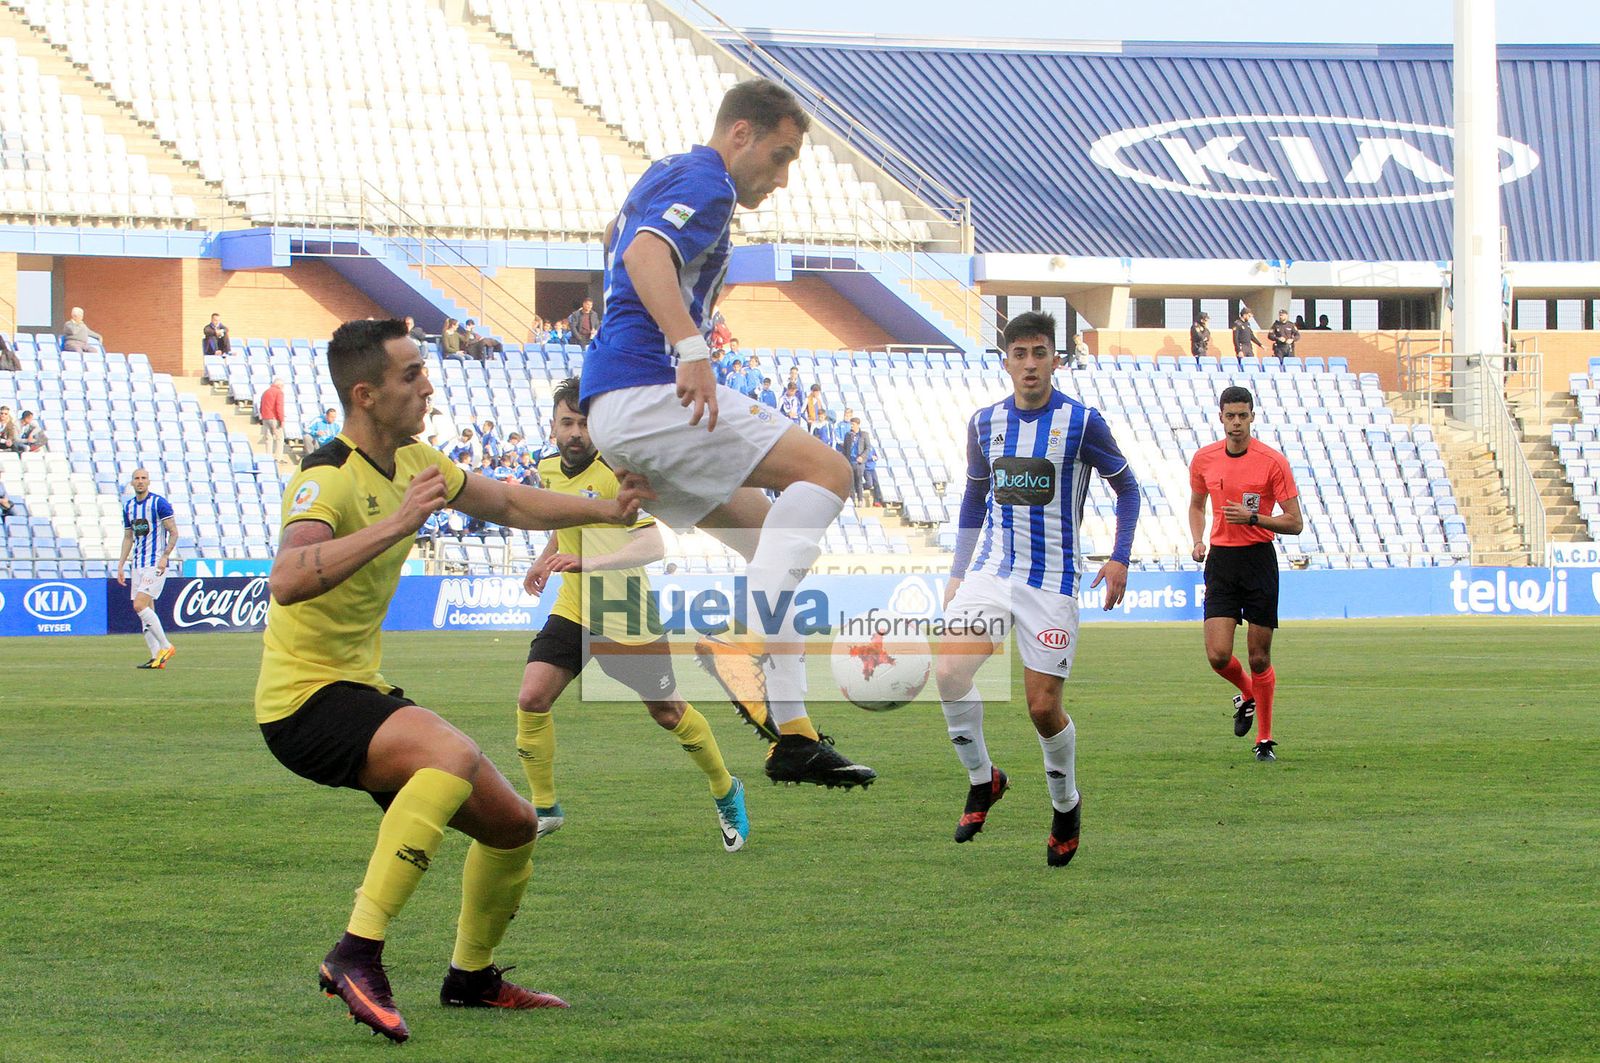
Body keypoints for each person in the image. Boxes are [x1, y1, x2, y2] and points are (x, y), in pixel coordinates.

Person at [254, 318, 650, 1043]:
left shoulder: (416, 458)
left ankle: (472, 978)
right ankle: (356, 952)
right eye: (412, 375)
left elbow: (507, 502)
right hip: (302, 703)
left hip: (359, 690)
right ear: (367, 394)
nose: (428, 385)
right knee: (452, 754)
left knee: (512, 826)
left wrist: (608, 509)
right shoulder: (325, 475)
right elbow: (286, 578)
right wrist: (399, 521)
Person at [579, 78, 875, 788]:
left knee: (767, 534)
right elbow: (643, 257)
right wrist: (692, 347)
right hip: (648, 387)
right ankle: (741, 637)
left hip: (615, 405)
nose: (780, 178)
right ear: (739, 133)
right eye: (779, 157)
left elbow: (614, 238)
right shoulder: (707, 182)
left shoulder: (665, 175)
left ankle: (795, 735)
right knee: (830, 472)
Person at [935, 312, 1139, 868]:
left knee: (1042, 708)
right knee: (948, 673)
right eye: (1019, 353)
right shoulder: (984, 423)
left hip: (1053, 582)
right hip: (992, 572)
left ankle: (1065, 806)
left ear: (1055, 360)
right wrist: (959, 570)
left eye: (1039, 353)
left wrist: (1119, 556)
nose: (1029, 363)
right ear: (1006, 360)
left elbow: (1128, 488)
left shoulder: (1082, 422)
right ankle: (985, 779)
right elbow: (975, 497)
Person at [516, 377, 749, 850]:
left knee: (667, 712)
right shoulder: (548, 469)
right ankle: (545, 808)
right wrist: (546, 557)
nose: (576, 432)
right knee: (532, 698)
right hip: (574, 607)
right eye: (567, 423)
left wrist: (591, 562)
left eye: (584, 423)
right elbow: (566, 519)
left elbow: (654, 542)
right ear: (553, 427)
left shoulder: (615, 472)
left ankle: (726, 788)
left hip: (626, 614)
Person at [1188, 385, 1305, 763]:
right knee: (1218, 656)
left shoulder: (1272, 462)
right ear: (1220, 417)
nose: (1236, 422)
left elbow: (1295, 523)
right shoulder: (1204, 459)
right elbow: (1196, 504)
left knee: (1258, 658)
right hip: (1221, 561)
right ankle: (1248, 693)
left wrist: (1255, 517)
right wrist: (1197, 539)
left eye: (1243, 415)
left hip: (1258, 560)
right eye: (1230, 415)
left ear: (1252, 416)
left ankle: (1265, 738)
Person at [116, 468, 179, 670]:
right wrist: (120, 565)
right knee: (146, 610)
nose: (140, 481)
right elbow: (128, 538)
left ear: (148, 481)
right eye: (137, 478)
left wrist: (165, 557)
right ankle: (156, 658)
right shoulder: (129, 507)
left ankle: (166, 646)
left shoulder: (158, 503)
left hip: (154, 563)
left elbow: (174, 532)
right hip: (138, 564)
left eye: (143, 478)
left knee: (139, 605)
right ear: (132, 483)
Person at [258, 377, 286, 463]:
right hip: (274, 418)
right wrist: (282, 420)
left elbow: (261, 405)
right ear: (280, 385)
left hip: (265, 417)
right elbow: (279, 407)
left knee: (268, 438)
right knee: (279, 438)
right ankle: (278, 457)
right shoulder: (279, 392)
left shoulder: (265, 392)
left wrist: (262, 415)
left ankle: (268, 457)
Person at [841, 417, 867, 505]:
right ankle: (852, 500)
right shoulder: (847, 435)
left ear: (858, 425)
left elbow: (868, 448)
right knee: (851, 482)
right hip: (850, 461)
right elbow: (845, 449)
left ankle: (860, 500)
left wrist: (862, 457)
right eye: (851, 424)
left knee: (859, 481)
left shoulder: (864, 435)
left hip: (859, 462)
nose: (851, 426)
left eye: (853, 424)